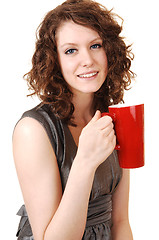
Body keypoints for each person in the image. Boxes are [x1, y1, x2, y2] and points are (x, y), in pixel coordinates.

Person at [13, 0, 135, 239]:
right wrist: (85, 162)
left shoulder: (112, 117)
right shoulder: (33, 130)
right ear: (54, 60)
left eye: (95, 45)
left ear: (110, 50)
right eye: (71, 50)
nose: (87, 59)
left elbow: (120, 221)